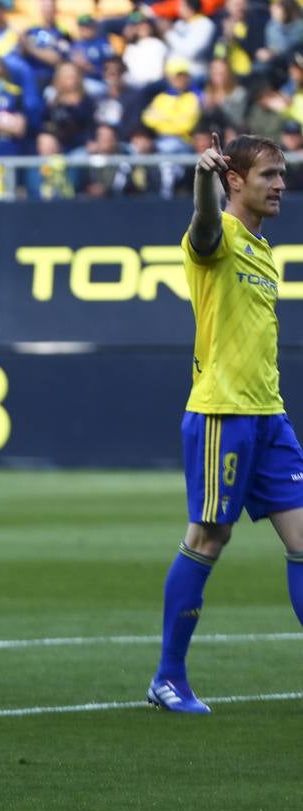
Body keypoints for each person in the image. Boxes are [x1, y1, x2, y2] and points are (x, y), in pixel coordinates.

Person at [148, 133, 302, 713]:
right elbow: (205, 227)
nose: (280, 184)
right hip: (222, 413)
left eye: (282, 173)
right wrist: (202, 181)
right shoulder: (218, 237)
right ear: (235, 180)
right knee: (210, 536)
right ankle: (168, 678)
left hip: (270, 415)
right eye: (268, 174)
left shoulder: (263, 248)